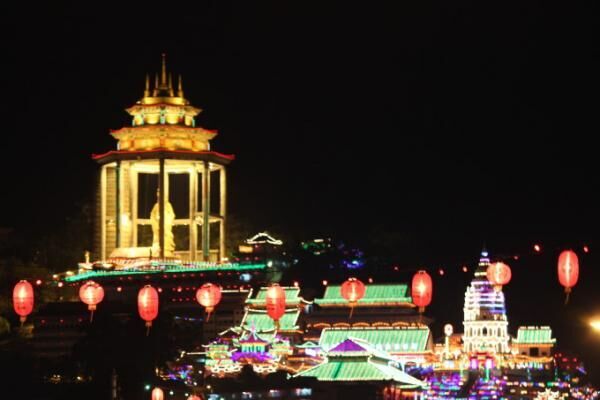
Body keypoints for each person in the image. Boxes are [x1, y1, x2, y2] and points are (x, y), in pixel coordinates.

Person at [150, 188, 176, 257]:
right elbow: (152, 218)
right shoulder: (156, 206)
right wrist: (157, 224)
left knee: (167, 241)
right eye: (158, 193)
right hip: (158, 231)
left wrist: (165, 221)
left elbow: (171, 216)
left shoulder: (168, 205)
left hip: (166, 230)